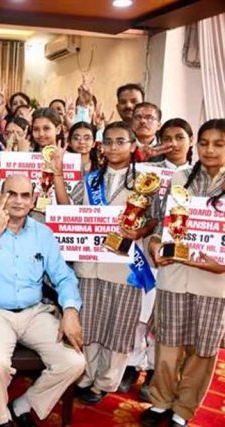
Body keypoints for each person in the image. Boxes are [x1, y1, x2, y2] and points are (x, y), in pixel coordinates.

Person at [0, 175, 85, 427]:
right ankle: (1, 416)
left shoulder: (43, 233)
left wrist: (70, 309)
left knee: (74, 362)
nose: (18, 201)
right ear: (0, 196)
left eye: (25, 195)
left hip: (34, 313)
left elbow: (64, 276)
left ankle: (22, 405)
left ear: (33, 201)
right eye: (11, 194)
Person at [52, 121, 158, 405]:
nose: (113, 147)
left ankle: (105, 381)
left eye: (121, 141)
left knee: (118, 325)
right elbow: (67, 209)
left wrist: (141, 232)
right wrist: (58, 174)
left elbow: (156, 218)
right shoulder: (91, 180)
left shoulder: (147, 181)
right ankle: (85, 375)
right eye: (108, 141)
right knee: (89, 323)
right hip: (89, 265)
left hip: (124, 266)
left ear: (133, 146)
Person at [141, 119, 225, 427]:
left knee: (202, 349)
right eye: (204, 143)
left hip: (213, 282)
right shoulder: (179, 177)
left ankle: (184, 409)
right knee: (167, 345)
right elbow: (162, 226)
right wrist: (154, 245)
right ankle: (161, 401)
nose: (210, 149)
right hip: (174, 276)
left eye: (219, 144)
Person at [120, 118, 193, 400]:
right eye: (167, 138)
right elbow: (141, 209)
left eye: (179, 137)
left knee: (164, 319)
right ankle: (132, 364)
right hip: (146, 251)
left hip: (180, 257)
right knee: (140, 312)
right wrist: (145, 233)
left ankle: (153, 369)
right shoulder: (149, 170)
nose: (173, 143)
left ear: (190, 141)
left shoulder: (197, 174)